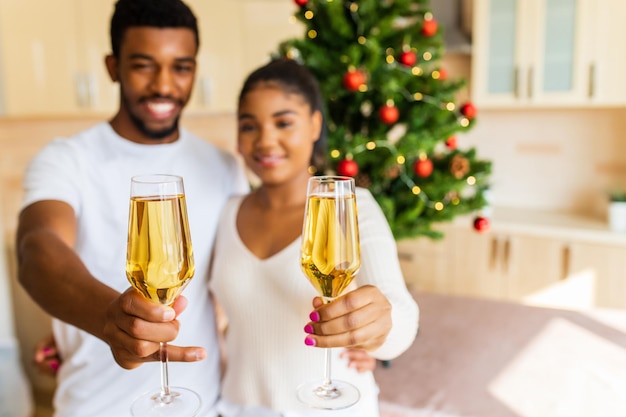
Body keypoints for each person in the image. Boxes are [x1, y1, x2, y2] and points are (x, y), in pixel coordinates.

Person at [15, 1, 251, 416]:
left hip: (202, 405)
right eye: (144, 65)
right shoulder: (67, 159)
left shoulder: (224, 167)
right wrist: (106, 317)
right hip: (95, 407)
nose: (164, 85)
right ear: (112, 67)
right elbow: (38, 248)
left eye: (181, 67)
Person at [209, 58, 419, 416]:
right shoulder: (224, 210)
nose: (265, 140)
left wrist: (378, 329)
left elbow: (400, 316)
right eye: (249, 126)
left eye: (283, 122)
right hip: (237, 406)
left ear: (314, 125)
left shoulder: (350, 207)